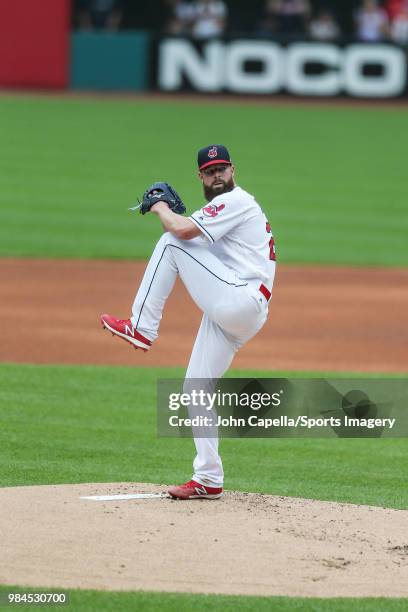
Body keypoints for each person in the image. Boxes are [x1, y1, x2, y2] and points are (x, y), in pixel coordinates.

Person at [101, 145, 276, 500]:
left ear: (233, 171)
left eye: (222, 169)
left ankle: (141, 328)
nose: (217, 175)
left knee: (169, 243)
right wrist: (175, 216)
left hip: (241, 299)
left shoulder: (236, 201)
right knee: (195, 389)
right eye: (210, 171)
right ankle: (209, 477)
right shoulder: (217, 210)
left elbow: (180, 232)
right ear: (201, 176)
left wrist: (160, 206)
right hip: (236, 309)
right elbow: (196, 236)